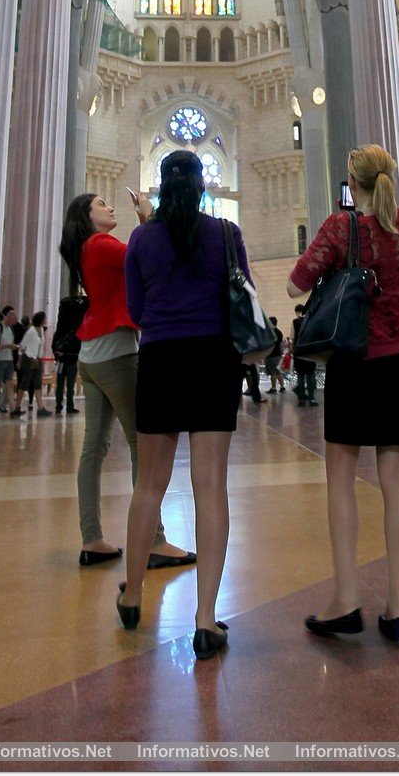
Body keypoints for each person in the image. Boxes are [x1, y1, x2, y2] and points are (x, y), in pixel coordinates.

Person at [287, 144, 399, 643]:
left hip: (356, 359)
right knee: (396, 481)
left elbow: (293, 284)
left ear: (352, 181)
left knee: (341, 478)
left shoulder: (339, 227)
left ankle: (346, 599)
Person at [118, 149, 249, 661]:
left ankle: (131, 596)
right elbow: (245, 295)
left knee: (148, 485)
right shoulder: (225, 235)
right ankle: (203, 620)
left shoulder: (141, 239)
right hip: (214, 359)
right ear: (201, 187)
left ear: (159, 188)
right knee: (210, 486)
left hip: (160, 360)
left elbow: (134, 309)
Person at [59, 190, 195, 572]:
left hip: (92, 355)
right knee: (144, 445)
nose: (109, 207)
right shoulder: (101, 244)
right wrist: (147, 218)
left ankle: (92, 539)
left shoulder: (87, 247)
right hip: (116, 352)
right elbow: (147, 258)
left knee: (93, 450)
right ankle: (154, 541)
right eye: (101, 204)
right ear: (87, 217)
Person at [51, 294, 83, 416]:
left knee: (65, 385)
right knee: (66, 385)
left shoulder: (59, 333)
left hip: (65, 361)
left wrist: (58, 355)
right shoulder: (70, 334)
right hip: (67, 361)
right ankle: (64, 406)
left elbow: (54, 345)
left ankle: (64, 406)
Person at [16, 311, 51, 417]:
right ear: (40, 319)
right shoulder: (31, 331)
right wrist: (19, 361)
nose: (45, 320)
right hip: (29, 359)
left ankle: (40, 408)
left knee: (38, 384)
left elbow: (41, 345)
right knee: (25, 383)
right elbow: (22, 346)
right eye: (44, 318)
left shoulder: (41, 329)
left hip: (38, 360)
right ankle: (17, 406)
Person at [292, 304, 318, 407]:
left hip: (299, 352)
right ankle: (311, 399)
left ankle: (301, 400)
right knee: (311, 375)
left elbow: (292, 337)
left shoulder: (295, 322)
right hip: (310, 351)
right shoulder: (312, 320)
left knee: (300, 376)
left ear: (297, 312)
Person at [265, 317, 285, 393]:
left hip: (271, 355)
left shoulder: (268, 333)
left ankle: (273, 388)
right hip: (278, 355)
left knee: (273, 372)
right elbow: (281, 345)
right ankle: (282, 387)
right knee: (279, 372)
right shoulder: (279, 332)